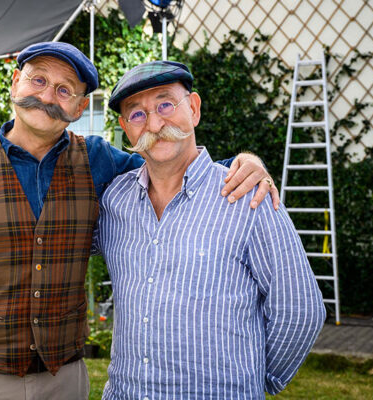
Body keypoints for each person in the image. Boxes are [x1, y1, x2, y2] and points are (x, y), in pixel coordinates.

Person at [0, 42, 276, 400]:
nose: (46, 96)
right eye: (38, 80)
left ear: (79, 108)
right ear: (16, 83)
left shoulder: (98, 160)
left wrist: (246, 163)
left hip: (65, 382)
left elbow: (172, 164)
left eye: (65, 90)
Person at [93, 60, 326, 399]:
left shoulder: (246, 195)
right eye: (137, 114)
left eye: (165, 104)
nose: (155, 123)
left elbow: (300, 309)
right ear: (124, 127)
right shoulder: (116, 200)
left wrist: (256, 380)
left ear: (194, 108)